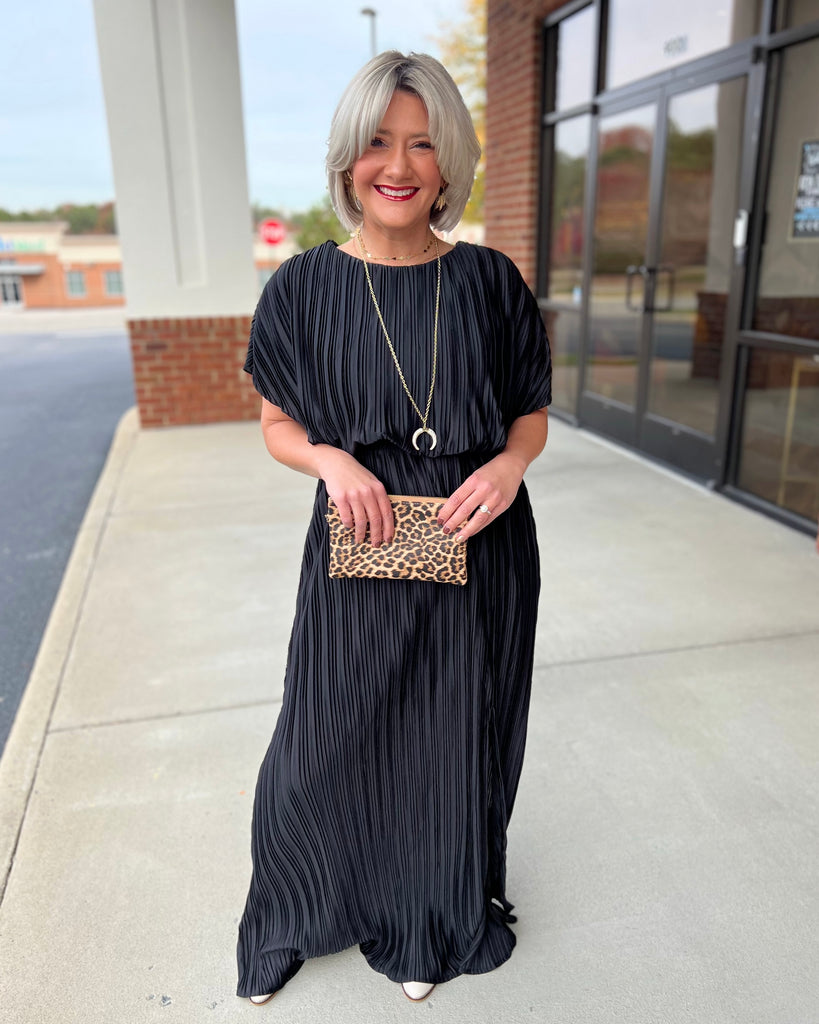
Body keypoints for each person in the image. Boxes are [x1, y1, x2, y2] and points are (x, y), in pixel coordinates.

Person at [237, 50, 551, 1006]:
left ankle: (427, 919)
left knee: (449, 741)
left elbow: (529, 414)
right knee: (320, 737)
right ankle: (295, 909)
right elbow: (276, 424)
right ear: (347, 158)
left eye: (422, 143)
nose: (399, 165)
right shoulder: (301, 287)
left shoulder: (490, 281)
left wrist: (507, 466)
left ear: (450, 161)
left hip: (477, 541)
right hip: (359, 541)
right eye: (378, 142)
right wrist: (330, 461)